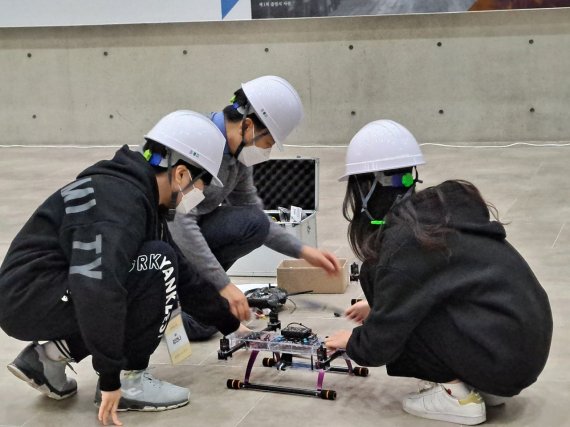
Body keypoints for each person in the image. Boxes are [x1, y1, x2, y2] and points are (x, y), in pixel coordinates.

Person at [0, 110, 241, 426]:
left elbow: (184, 275)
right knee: (157, 265)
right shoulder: (119, 206)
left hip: (40, 290)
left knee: (159, 261)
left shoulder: (137, 193)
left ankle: (47, 360)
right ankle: (132, 381)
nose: (198, 196)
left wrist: (230, 324)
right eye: (201, 186)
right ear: (182, 175)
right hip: (30, 298)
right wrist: (113, 378)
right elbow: (98, 288)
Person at [325, 120, 553, 425]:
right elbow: (442, 284)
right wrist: (380, 305)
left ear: (366, 187)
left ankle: (456, 396)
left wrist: (352, 342)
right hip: (520, 349)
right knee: (400, 301)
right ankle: (486, 383)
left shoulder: (405, 242)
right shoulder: (434, 218)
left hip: (502, 358)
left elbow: (380, 345)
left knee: (391, 303)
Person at [169, 76, 341, 338]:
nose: (267, 152)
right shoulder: (195, 144)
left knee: (252, 223)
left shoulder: (237, 156)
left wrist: (304, 251)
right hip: (162, 237)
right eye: (268, 143)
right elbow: (179, 223)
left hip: (191, 232)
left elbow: (253, 214)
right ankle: (173, 299)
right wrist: (224, 285)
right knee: (198, 328)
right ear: (248, 125)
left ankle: (196, 295)